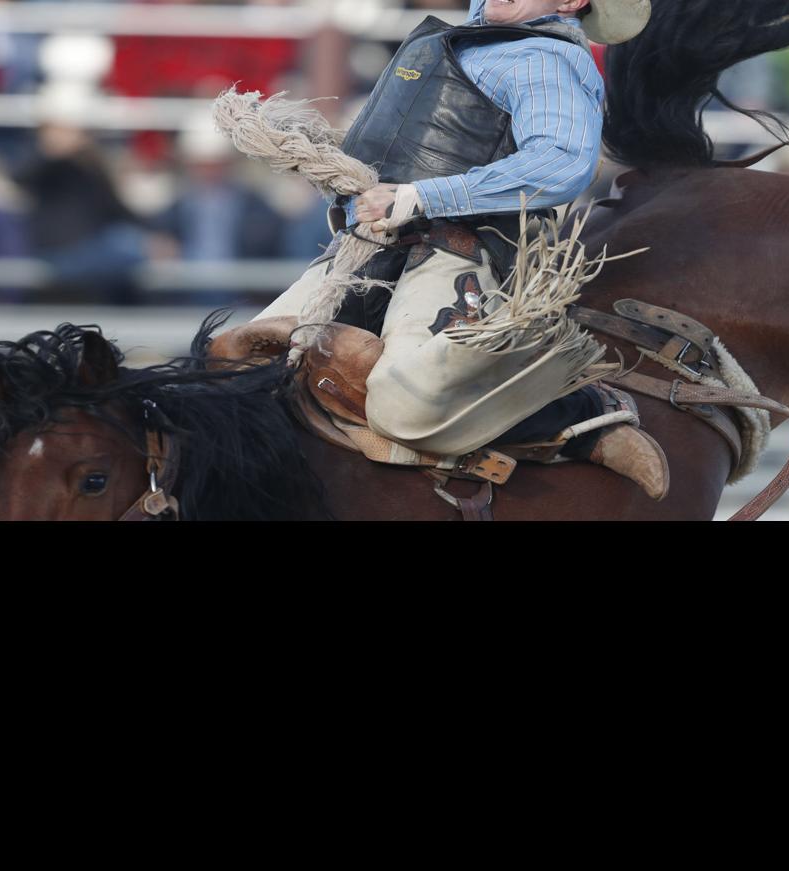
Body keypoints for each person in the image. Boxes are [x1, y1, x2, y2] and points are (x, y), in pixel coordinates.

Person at [253, 0, 668, 498]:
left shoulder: (542, 57)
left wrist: (420, 196)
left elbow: (558, 162)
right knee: (240, 367)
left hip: (461, 253)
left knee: (405, 405)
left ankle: (583, 416)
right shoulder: (446, 44)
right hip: (364, 251)